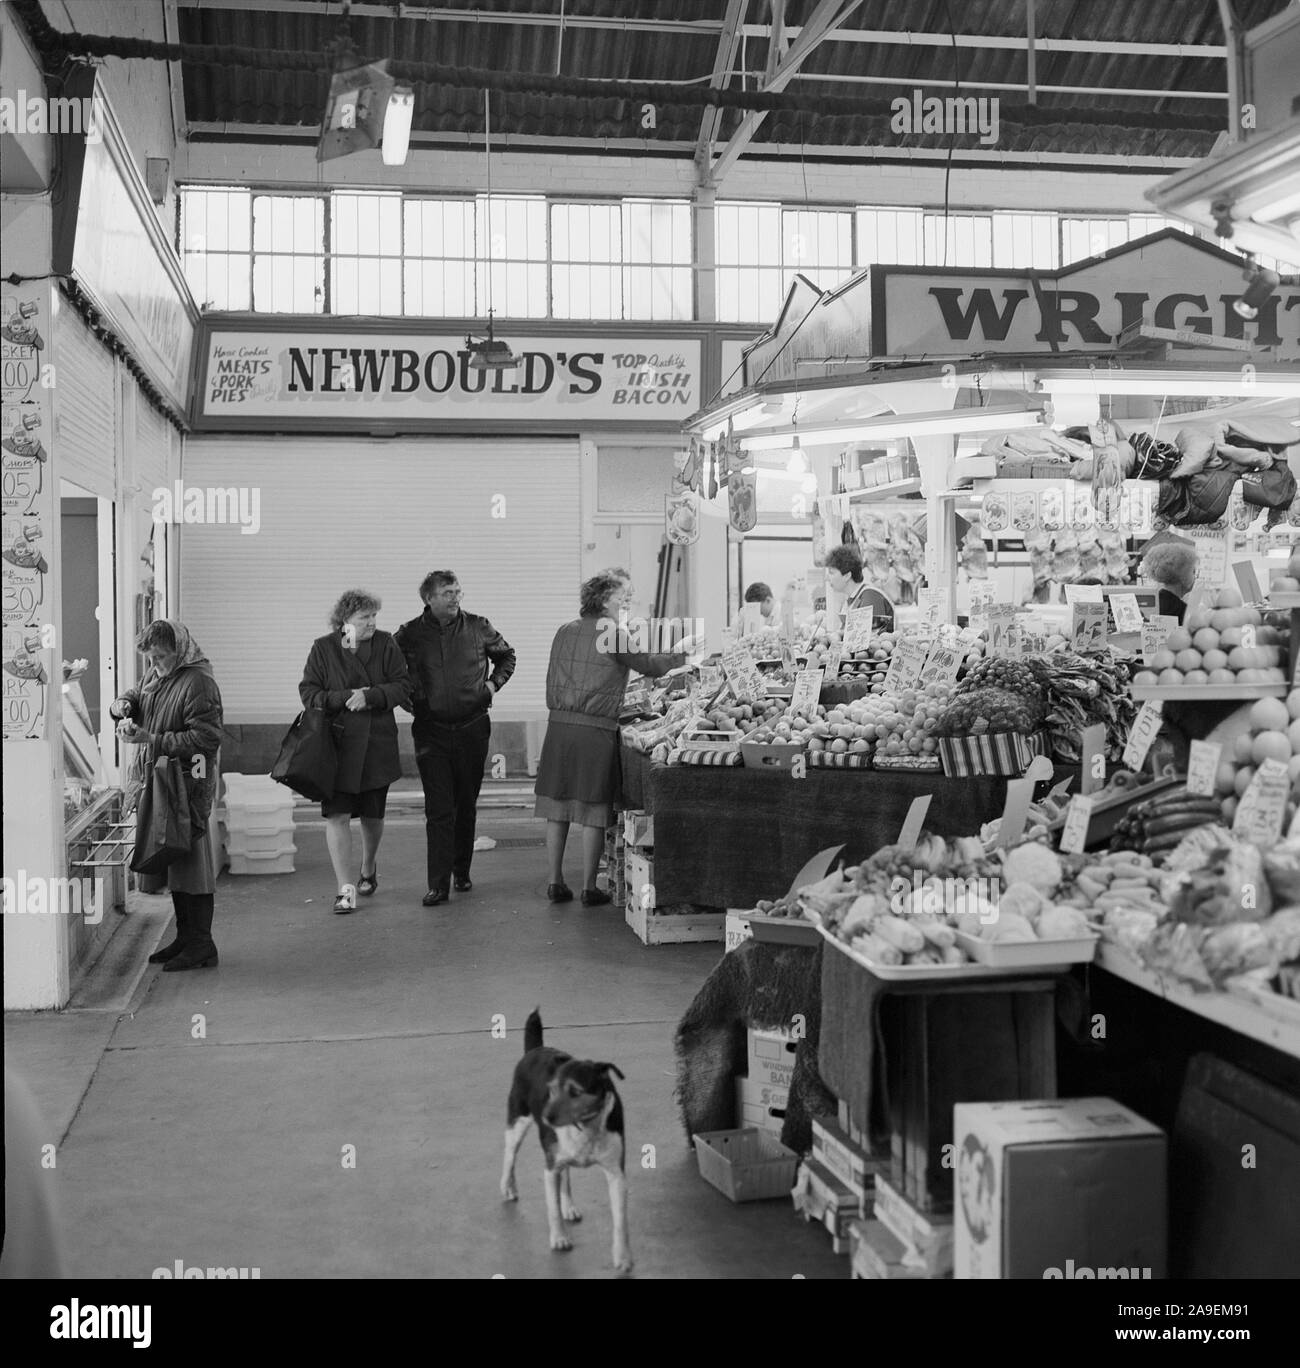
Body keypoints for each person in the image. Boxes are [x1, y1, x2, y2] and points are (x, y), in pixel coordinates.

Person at [534, 570, 704, 905]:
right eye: (621, 595)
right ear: (602, 599)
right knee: (593, 810)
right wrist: (682, 652)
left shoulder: (565, 630)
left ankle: (554, 882)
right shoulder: (611, 631)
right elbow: (649, 665)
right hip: (594, 729)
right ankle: (588, 888)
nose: (626, 601)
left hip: (558, 727)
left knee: (558, 806)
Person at [395, 571, 516, 907]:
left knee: (465, 803)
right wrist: (405, 696)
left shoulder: (478, 626)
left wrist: (492, 686)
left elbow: (507, 656)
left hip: (472, 727)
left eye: (458, 591)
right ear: (428, 598)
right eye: (447, 592)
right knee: (438, 809)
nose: (455, 597)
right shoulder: (408, 634)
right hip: (430, 730)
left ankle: (461, 871)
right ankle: (438, 885)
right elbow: (390, 670)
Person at [109, 619, 223, 972]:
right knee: (173, 857)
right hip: (163, 780)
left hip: (191, 781)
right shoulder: (157, 674)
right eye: (150, 658)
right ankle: (185, 939)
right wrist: (122, 705)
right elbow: (141, 695)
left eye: (160, 657)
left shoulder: (198, 681)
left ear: (180, 651)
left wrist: (151, 739)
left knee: (193, 863)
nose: (154, 665)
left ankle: (202, 944)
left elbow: (206, 740)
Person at [299, 590, 411, 913]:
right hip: (336, 747)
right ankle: (344, 889)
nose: (372, 623)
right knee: (337, 816)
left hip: (377, 745)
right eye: (365, 618)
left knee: (373, 817)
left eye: (375, 616)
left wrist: (372, 696)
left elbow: (403, 686)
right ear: (345, 620)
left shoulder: (387, 644)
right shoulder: (323, 649)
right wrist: (347, 697)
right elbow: (309, 692)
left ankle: (368, 865)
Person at [824, 543, 895, 632]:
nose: (826, 578)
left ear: (847, 576)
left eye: (831, 573)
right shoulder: (851, 600)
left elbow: (871, 640)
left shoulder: (870, 596)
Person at [1141, 541, 1199, 625]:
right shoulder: (1183, 612)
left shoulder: (1155, 602)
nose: (1195, 577)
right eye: (1193, 571)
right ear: (1183, 574)